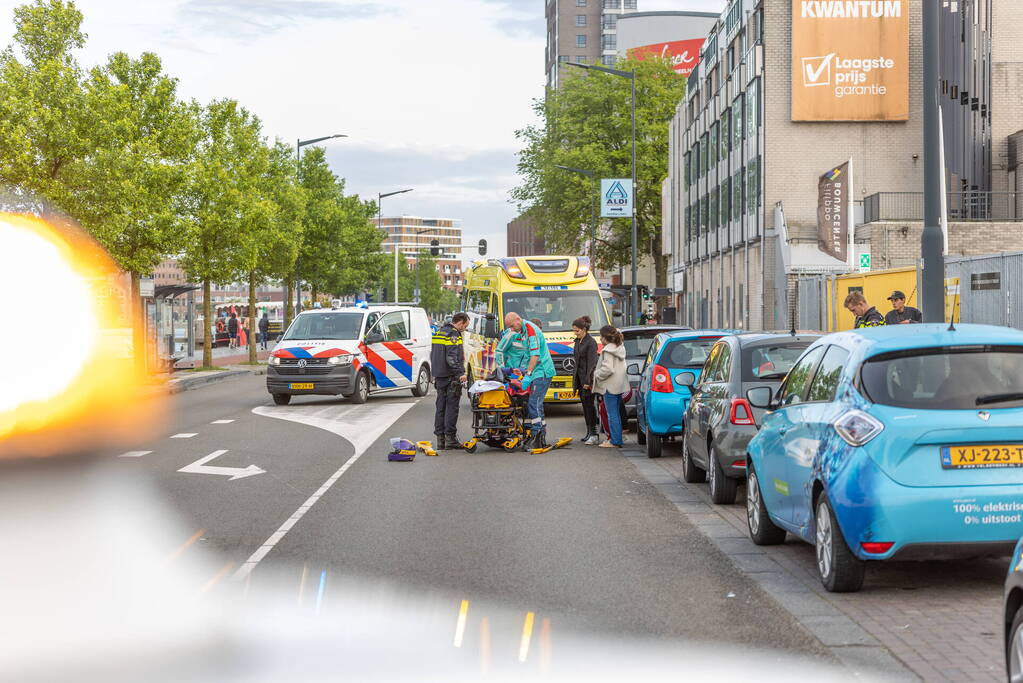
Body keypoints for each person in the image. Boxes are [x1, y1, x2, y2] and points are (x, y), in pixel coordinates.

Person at [504, 312, 556, 449]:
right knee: (536, 404)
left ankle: (537, 435)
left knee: (534, 403)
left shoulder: (531, 330)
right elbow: (526, 355)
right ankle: (540, 435)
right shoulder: (524, 330)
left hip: (542, 371)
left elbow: (535, 356)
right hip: (538, 371)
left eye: (511, 326)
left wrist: (527, 374)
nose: (511, 329)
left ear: (517, 319)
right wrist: (521, 370)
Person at [431, 312, 469, 450]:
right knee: (452, 408)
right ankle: (450, 439)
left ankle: (440, 440)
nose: (465, 328)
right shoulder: (453, 334)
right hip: (450, 377)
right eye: (465, 325)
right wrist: (460, 373)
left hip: (439, 376)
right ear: (460, 322)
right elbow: (452, 357)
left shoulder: (439, 332)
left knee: (440, 408)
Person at [592, 325, 628, 448]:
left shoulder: (607, 350)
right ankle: (616, 439)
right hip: (619, 385)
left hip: (610, 385)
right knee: (616, 413)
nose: (600, 339)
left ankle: (615, 441)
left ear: (605, 337)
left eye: (601, 336)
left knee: (611, 414)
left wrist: (597, 374)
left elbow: (608, 369)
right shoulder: (619, 348)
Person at [571, 316, 599, 445]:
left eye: (577, 330)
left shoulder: (591, 342)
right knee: (584, 406)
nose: (575, 333)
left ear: (584, 329)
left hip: (587, 379)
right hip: (579, 379)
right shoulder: (578, 341)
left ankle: (594, 433)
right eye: (574, 331)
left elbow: (592, 364)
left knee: (589, 406)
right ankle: (588, 432)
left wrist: (588, 381)